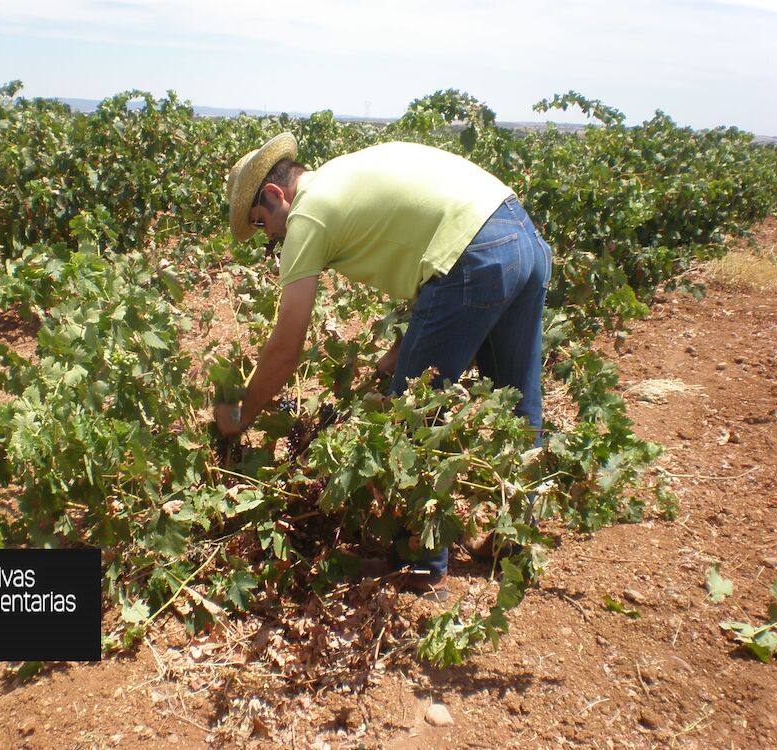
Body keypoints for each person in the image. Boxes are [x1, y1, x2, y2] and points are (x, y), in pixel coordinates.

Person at [214, 132, 552, 591]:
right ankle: (518, 539)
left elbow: (286, 345)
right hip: (520, 235)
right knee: (519, 401)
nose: (270, 237)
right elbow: (429, 234)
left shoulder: (309, 214)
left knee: (411, 415)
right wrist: (404, 350)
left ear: (275, 194)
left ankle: (420, 564)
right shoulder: (346, 174)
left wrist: (239, 414)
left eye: (261, 222)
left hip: (473, 254)